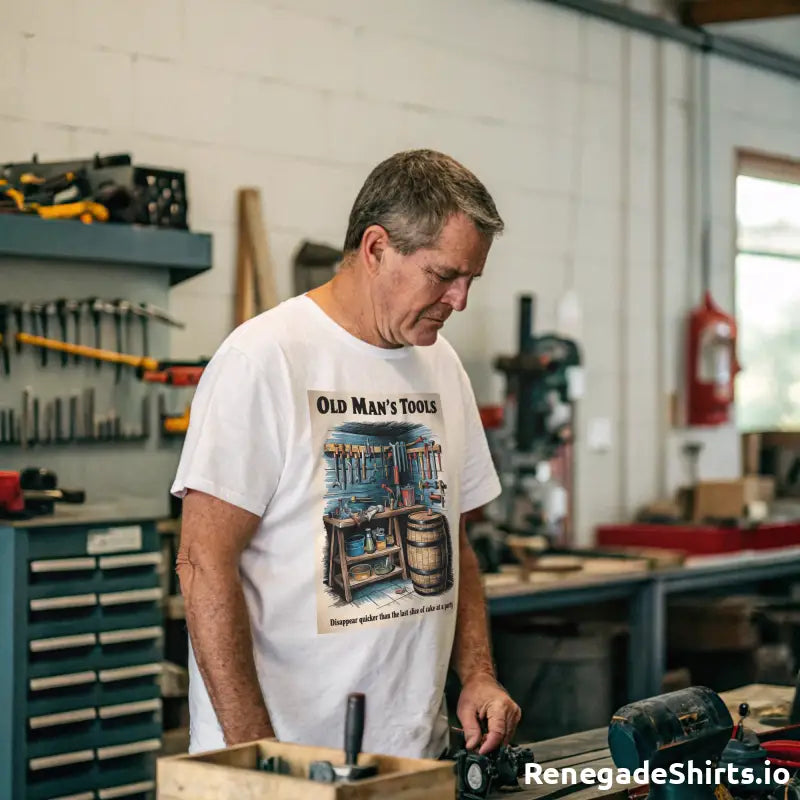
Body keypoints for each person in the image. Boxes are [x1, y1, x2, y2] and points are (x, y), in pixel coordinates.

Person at [171, 149, 522, 761]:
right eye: (444, 275)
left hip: (414, 755)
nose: (460, 300)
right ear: (377, 247)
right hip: (287, 758)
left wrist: (478, 673)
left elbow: (453, 538)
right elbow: (203, 564)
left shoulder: (442, 365)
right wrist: (258, 754)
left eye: (472, 279)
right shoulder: (266, 358)